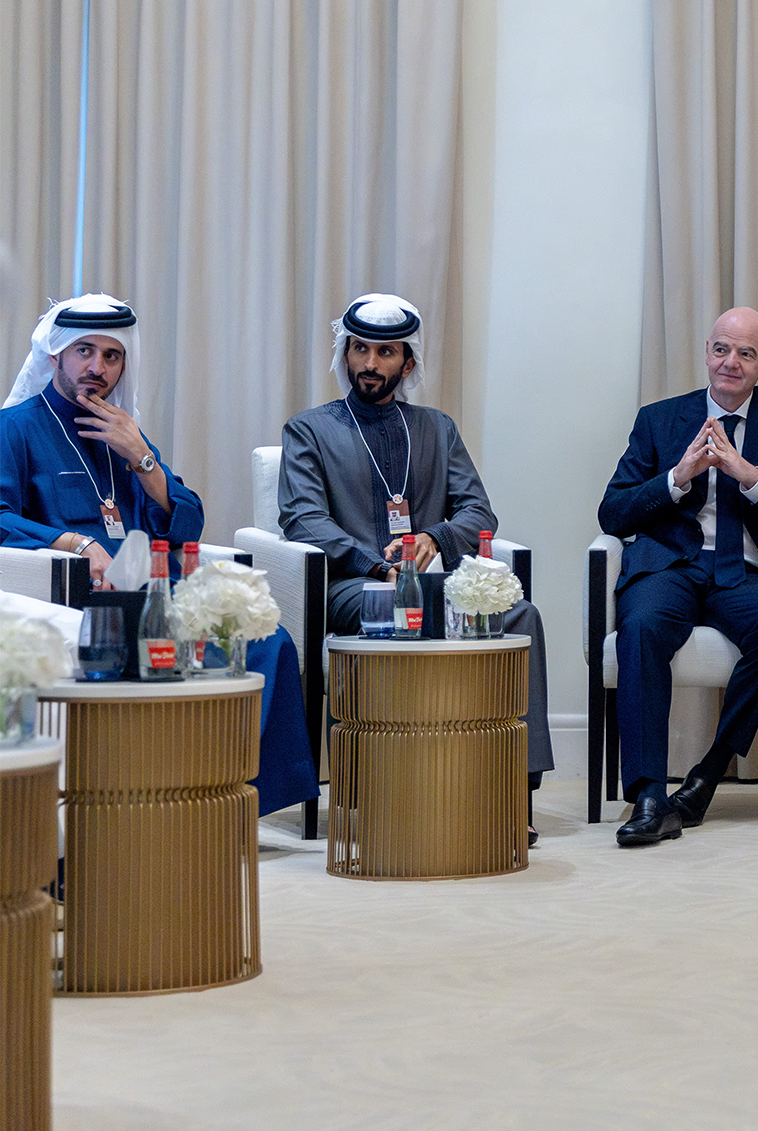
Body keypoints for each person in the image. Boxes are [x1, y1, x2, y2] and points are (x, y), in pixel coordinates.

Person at [0, 294, 317, 815]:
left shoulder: (124, 430)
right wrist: (78, 543)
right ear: (55, 355)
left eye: (111, 356)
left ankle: (230, 795)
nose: (97, 368)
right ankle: (178, 795)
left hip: (156, 589)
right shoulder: (16, 428)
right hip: (83, 599)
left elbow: (189, 520)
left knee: (264, 640)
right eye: (84, 351)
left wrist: (141, 457)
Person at [278, 294, 555, 833]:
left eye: (385, 353)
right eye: (360, 349)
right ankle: (384, 791)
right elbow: (302, 519)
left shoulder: (436, 428)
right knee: (392, 606)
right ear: (345, 354)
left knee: (522, 616)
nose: (370, 364)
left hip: (434, 584)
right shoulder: (309, 430)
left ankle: (508, 791)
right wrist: (375, 566)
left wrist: (435, 535)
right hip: (355, 588)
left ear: (407, 364)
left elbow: (479, 511)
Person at [599, 307, 758, 848]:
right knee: (643, 627)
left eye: (746, 354)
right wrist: (678, 478)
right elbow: (614, 513)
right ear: (706, 352)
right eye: (722, 349)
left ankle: (706, 776)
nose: (731, 363)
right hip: (670, 564)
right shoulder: (660, 419)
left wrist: (751, 478)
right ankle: (650, 796)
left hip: (743, 570)